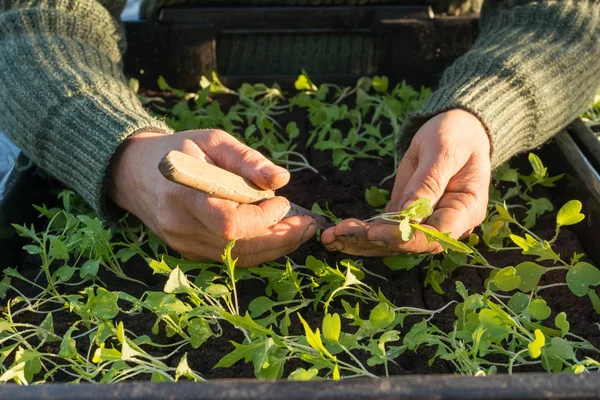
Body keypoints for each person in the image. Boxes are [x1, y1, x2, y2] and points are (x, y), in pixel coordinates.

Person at [0, 1, 599, 266]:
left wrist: (479, 114)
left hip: (450, 59)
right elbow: (31, 23)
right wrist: (123, 156)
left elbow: (567, 16)